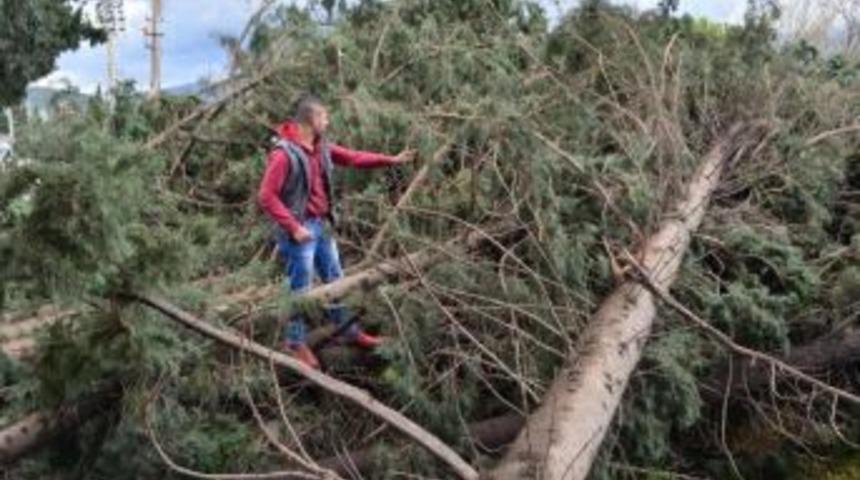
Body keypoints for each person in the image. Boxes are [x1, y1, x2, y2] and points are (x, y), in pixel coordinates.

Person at [257, 93, 416, 368]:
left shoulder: (321, 147)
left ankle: (346, 331)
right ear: (311, 119)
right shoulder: (284, 155)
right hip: (301, 230)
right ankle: (294, 342)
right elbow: (266, 196)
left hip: (323, 225)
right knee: (301, 289)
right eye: (324, 117)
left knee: (336, 278)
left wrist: (391, 160)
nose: (328, 122)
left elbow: (354, 158)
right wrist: (294, 228)